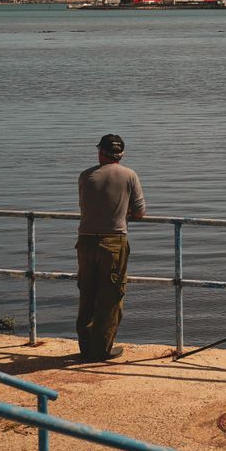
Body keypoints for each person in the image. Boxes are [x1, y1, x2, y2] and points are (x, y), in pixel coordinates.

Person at [75, 133, 146, 362]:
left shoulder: (86, 176)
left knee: (87, 293)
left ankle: (86, 348)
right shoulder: (129, 175)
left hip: (85, 241)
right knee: (111, 297)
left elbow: (85, 205)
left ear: (100, 152)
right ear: (121, 154)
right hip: (113, 241)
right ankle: (101, 350)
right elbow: (139, 212)